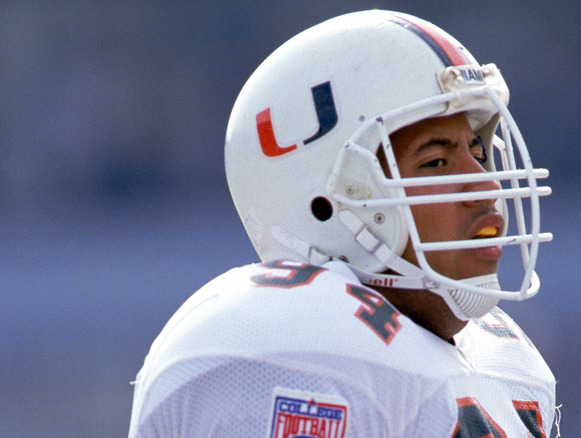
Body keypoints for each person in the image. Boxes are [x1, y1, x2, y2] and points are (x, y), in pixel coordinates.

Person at [128, 10, 558, 437]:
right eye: (436, 161)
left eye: (478, 154)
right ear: (325, 204)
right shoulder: (287, 347)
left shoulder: (508, 360)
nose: (484, 188)